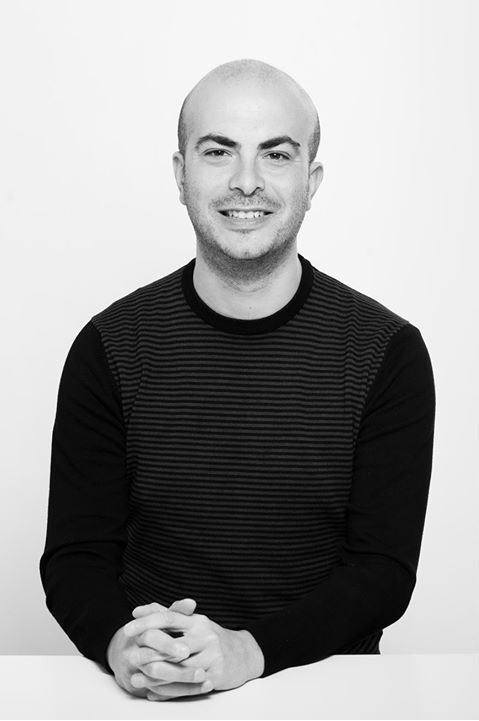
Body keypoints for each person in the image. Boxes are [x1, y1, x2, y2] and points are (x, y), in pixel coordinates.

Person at [40, 58, 436, 702]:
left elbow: (382, 571)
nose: (245, 181)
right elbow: (75, 557)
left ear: (311, 181)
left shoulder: (387, 352)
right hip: (154, 692)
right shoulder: (109, 346)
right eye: (219, 151)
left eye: (275, 155)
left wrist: (247, 652)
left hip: (326, 691)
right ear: (181, 174)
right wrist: (123, 643)